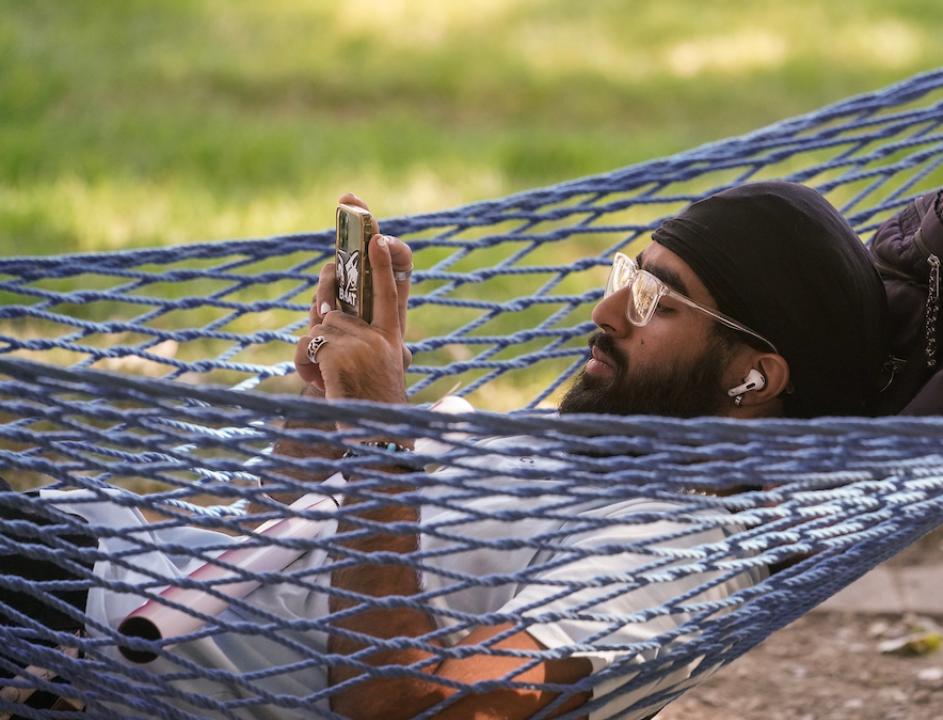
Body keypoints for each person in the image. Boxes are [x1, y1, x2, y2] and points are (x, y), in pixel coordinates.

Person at [1, 183, 887, 719]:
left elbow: (414, 710)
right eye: (626, 276)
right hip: (93, 580)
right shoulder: (594, 450)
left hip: (75, 628)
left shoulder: (675, 557)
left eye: (659, 299)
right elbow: (263, 562)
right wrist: (327, 411)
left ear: (755, 379)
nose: (607, 311)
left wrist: (384, 433)